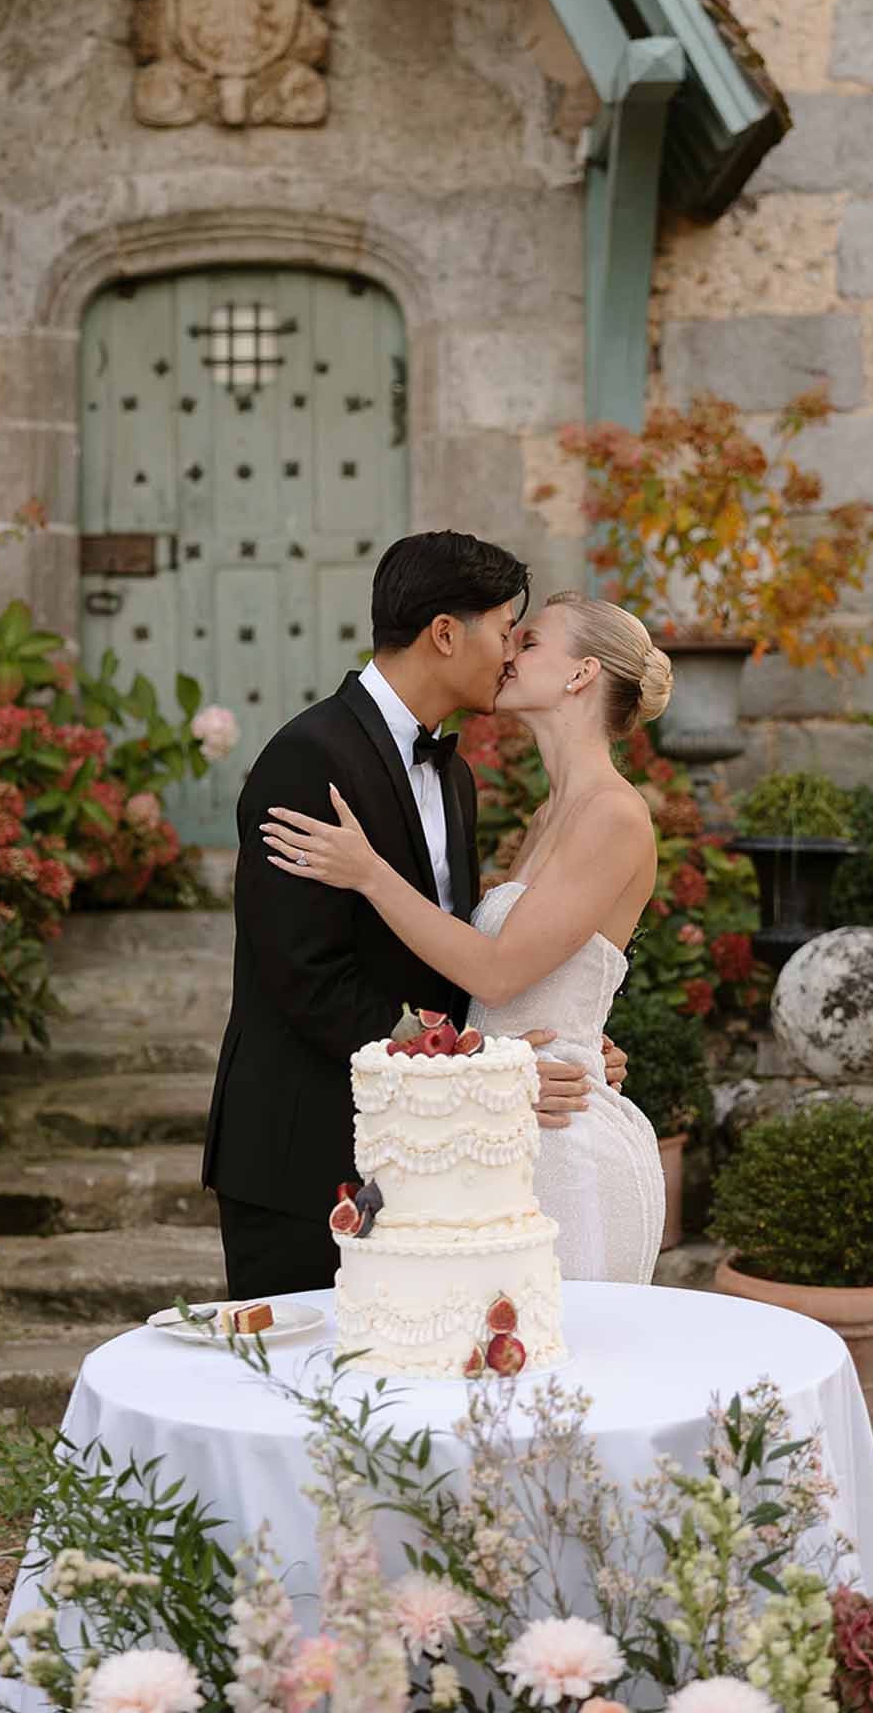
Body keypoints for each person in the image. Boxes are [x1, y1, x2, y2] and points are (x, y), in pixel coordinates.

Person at [202, 534, 628, 1299]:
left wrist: (552, 1036)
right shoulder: (307, 757)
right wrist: (472, 1068)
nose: (507, 656)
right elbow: (307, 979)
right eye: (505, 631)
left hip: (422, 1159)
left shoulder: (455, 776)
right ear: (443, 634)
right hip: (305, 1152)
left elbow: (449, 957)